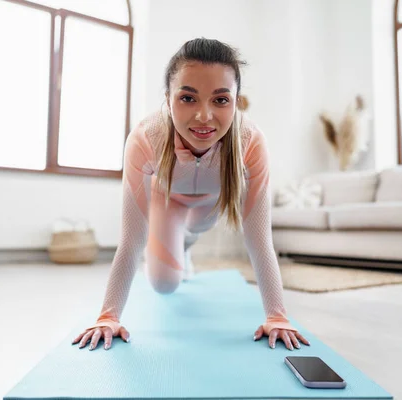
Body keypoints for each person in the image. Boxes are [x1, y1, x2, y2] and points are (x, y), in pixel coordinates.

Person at [72, 38, 310, 352]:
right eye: (188, 98)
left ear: (236, 101)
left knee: (194, 228)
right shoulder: (146, 138)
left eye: (221, 100)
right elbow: (131, 240)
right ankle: (176, 246)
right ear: (168, 99)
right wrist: (108, 315)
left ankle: (184, 241)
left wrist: (277, 317)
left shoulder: (250, 141)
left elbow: (259, 238)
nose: (204, 116)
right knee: (165, 285)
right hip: (167, 201)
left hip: (211, 203)